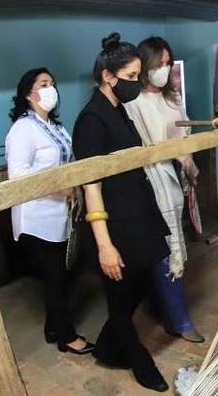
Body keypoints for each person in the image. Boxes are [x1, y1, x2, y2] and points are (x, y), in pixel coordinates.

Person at [72, 33, 170, 392]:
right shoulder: (91, 121)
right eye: (131, 78)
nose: (136, 84)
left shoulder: (117, 109)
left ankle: (111, 346)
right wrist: (104, 245)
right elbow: (90, 185)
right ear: (107, 76)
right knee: (119, 292)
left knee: (142, 280)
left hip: (137, 211)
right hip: (113, 220)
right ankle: (139, 362)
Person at [5, 68, 94, 355]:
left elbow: (69, 163)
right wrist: (57, 189)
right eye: (44, 84)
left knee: (65, 273)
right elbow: (18, 175)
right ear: (28, 94)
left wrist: (76, 189)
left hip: (61, 214)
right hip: (36, 217)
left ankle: (52, 326)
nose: (50, 89)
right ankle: (66, 336)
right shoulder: (22, 129)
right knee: (55, 277)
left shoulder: (56, 127)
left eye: (52, 84)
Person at [124, 36, 204, 343]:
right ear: (143, 66)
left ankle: (161, 305)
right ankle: (179, 320)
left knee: (172, 241)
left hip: (174, 174)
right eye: (158, 63)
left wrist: (188, 161)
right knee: (165, 246)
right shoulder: (134, 102)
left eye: (167, 63)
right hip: (150, 178)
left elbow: (185, 134)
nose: (163, 68)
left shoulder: (172, 98)